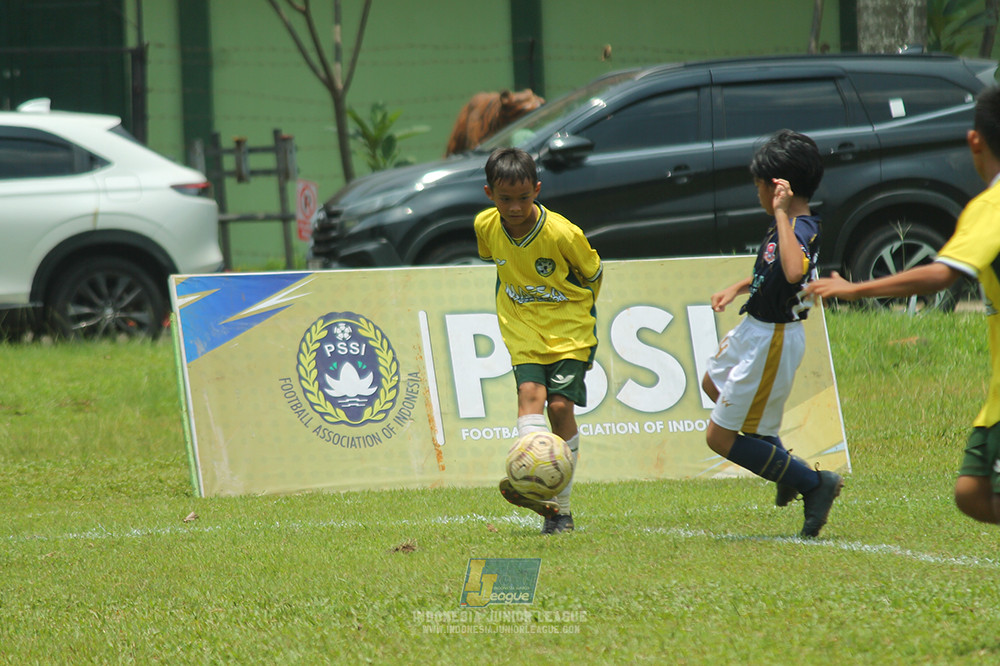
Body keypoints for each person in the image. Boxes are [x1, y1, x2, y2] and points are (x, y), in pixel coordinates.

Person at [806, 86, 1000, 525]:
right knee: (971, 492)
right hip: (995, 392)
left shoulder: (991, 205)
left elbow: (942, 273)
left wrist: (855, 290)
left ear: (975, 141)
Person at [702, 129, 843, 538]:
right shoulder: (786, 226)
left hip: (773, 338)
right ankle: (786, 469)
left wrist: (781, 214)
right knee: (713, 383)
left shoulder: (799, 227)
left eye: (759, 185)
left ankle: (815, 484)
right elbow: (776, 272)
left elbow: (796, 269)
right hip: (754, 328)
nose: (757, 193)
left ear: (777, 187)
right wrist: (737, 287)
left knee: (718, 437)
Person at [475, 147, 603, 535]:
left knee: (561, 407)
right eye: (505, 199)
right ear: (489, 194)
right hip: (522, 329)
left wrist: (572, 311)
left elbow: (593, 275)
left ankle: (561, 504)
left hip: (569, 329)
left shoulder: (563, 233)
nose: (514, 207)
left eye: (523, 198)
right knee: (530, 394)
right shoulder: (485, 226)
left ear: (537, 190)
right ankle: (544, 500)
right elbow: (493, 260)